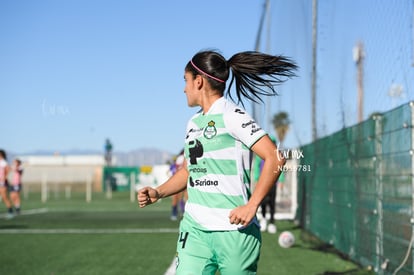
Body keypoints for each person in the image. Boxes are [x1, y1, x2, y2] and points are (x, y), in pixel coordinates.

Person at [137, 50, 296, 274]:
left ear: (199, 81)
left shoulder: (232, 115)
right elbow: (189, 171)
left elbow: (275, 158)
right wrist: (159, 192)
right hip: (195, 229)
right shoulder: (193, 123)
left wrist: (252, 205)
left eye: (186, 81)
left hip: (235, 232)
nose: (184, 88)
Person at [253, 136, 279, 234]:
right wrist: (256, 179)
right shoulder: (261, 156)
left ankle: (272, 223)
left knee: (272, 204)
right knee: (263, 203)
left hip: (273, 183)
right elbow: (256, 168)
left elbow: (280, 168)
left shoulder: (277, 156)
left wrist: (280, 180)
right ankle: (263, 220)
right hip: (262, 183)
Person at [169, 149, 187, 221]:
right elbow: (177, 169)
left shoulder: (188, 156)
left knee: (187, 198)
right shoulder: (180, 158)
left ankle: (185, 213)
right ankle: (174, 213)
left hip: (188, 180)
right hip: (180, 180)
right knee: (176, 198)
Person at [0, 149, 13, 218]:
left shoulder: (3, 162)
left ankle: (10, 211)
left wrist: (4, 177)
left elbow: (8, 169)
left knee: (4, 197)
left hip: (2, 183)